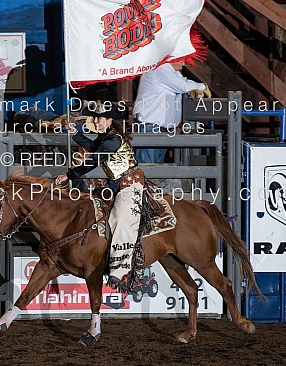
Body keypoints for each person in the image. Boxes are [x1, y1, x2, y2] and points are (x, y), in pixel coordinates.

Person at [55, 101, 144, 292]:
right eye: (95, 118)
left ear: (109, 120)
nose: (96, 121)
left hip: (129, 185)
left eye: (99, 118)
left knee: (120, 219)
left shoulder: (112, 140)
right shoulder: (108, 138)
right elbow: (92, 145)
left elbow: (93, 160)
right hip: (116, 184)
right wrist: (76, 133)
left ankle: (121, 272)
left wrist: (68, 175)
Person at [133, 60, 211, 163]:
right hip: (151, 127)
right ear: (171, 59)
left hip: (156, 127)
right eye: (181, 60)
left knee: (153, 169)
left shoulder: (169, 72)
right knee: (148, 169)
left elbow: (183, 83)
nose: (183, 64)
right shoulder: (160, 69)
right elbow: (183, 86)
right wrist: (202, 86)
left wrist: (192, 88)